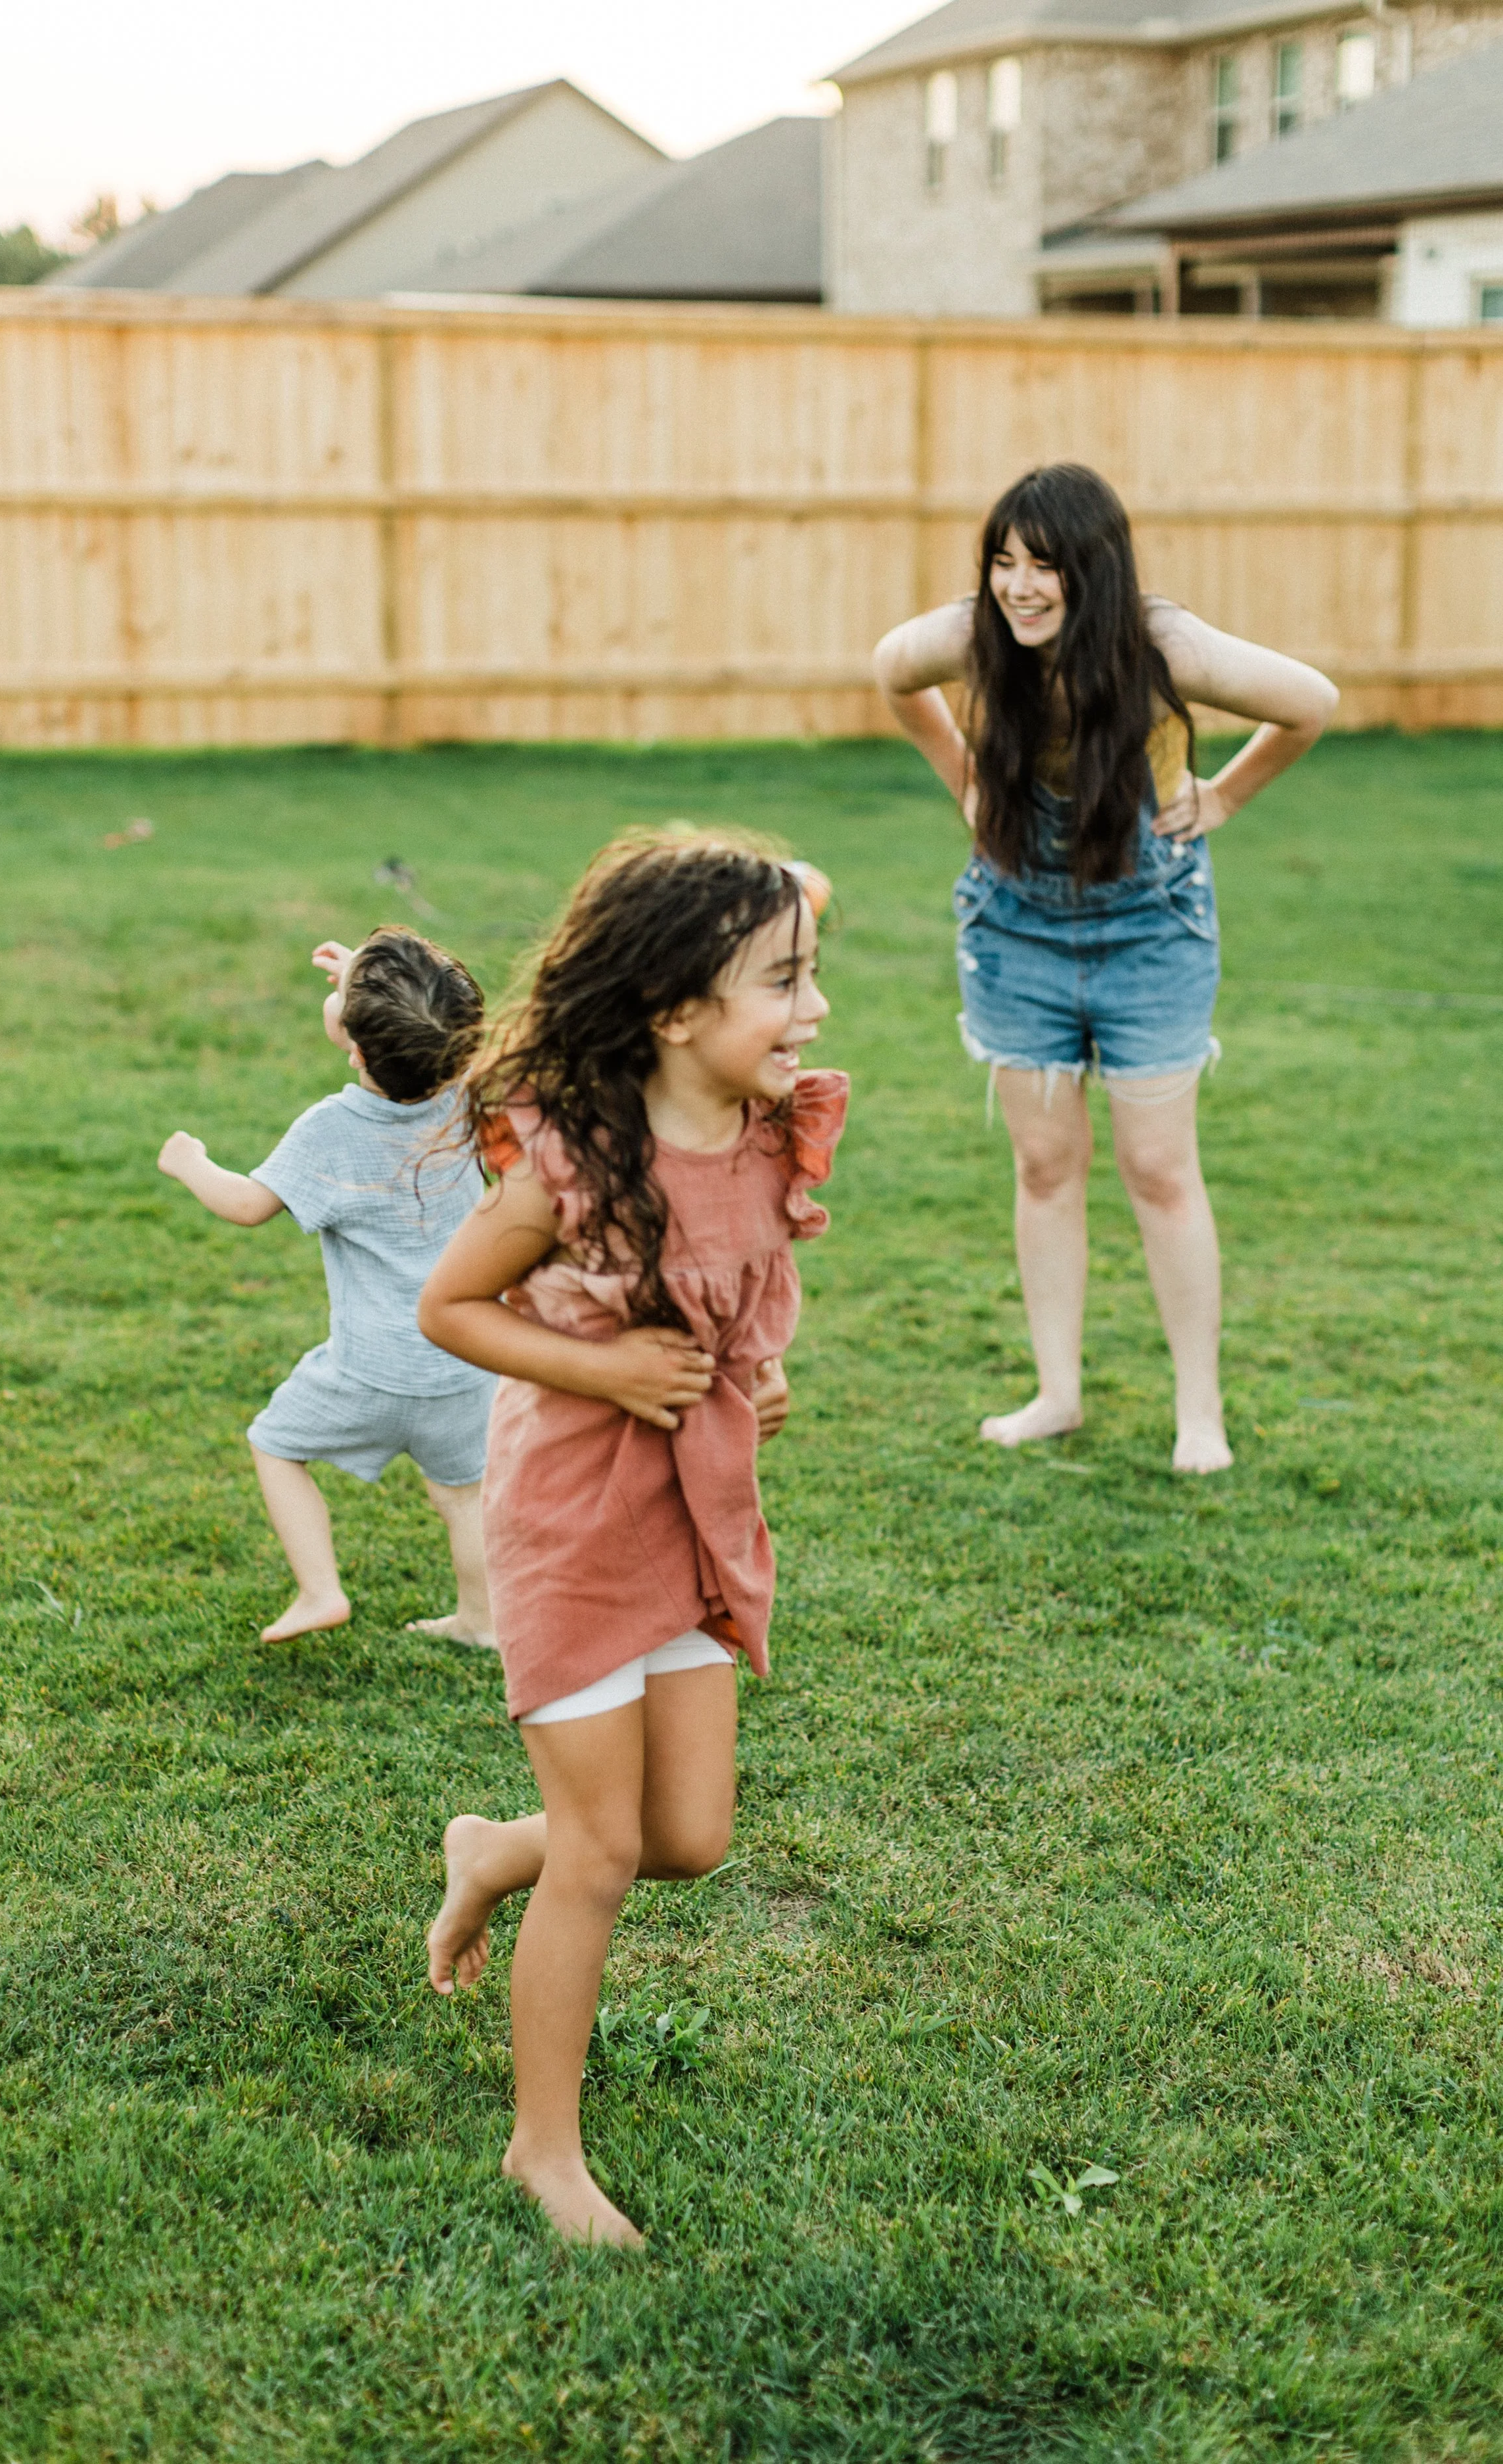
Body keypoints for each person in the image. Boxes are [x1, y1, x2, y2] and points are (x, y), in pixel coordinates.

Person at [416, 829, 847, 2247]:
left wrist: (756, 1376)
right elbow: (452, 1311)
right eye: (781, 983)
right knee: (602, 1851)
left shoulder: (765, 1135)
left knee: (689, 1836)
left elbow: (740, 1306)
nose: (814, 1008)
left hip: (692, 1525)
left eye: (809, 977)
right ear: (675, 1013)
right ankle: (542, 2150)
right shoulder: (573, 1163)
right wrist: (605, 1373)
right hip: (572, 1530)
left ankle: (489, 1852)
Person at [873, 462, 1337, 1474]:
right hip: (1015, 927)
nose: (1020, 587)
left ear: (1097, 569)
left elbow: (1310, 702)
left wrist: (1224, 799)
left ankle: (1199, 1415)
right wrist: (962, 777)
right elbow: (891, 671)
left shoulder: (1164, 645)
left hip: (1150, 930)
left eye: (1045, 565)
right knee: (1044, 1166)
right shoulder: (972, 634)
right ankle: (1057, 1393)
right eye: (1003, 562)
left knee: (1160, 1173)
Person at [157, 928, 496, 1645]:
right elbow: (419, 1031)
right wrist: (365, 983)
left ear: (356, 1046)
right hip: (466, 1360)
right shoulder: (466, 1096)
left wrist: (191, 1163)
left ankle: (319, 1592)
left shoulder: (332, 1128)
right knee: (463, 1497)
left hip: (368, 1369)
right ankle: (481, 1622)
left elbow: (249, 1205)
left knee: (275, 1446)